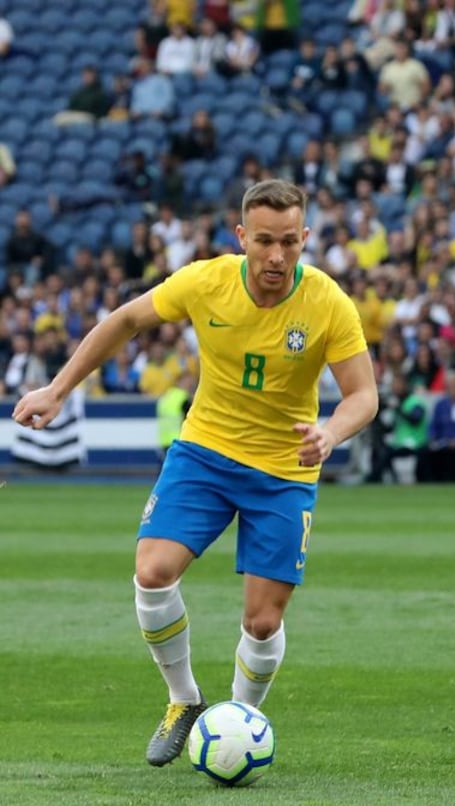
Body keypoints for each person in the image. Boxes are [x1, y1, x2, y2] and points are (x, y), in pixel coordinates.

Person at [12, 179, 378, 767]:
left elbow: (364, 395)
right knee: (152, 573)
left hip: (284, 470)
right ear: (242, 238)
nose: (277, 257)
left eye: (289, 242)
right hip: (205, 452)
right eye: (264, 241)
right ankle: (184, 701)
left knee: (261, 622)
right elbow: (126, 320)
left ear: (305, 238)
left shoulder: (328, 302)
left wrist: (330, 433)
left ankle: (239, 720)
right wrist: (58, 389)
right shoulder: (205, 281)